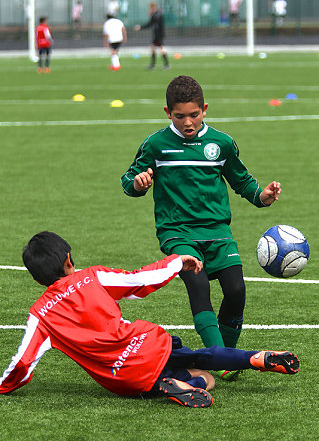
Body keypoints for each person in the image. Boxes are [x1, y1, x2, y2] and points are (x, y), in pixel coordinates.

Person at [0, 231, 299, 408]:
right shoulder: (91, 277)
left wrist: (3, 386)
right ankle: (253, 358)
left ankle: (177, 384)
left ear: (38, 279)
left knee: (203, 381)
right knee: (201, 359)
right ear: (69, 260)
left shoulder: (40, 314)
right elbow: (140, 279)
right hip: (147, 343)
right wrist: (176, 262)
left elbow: (23, 364)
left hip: (124, 375)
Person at [121, 75, 282, 381]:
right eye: (180, 116)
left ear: (205, 109)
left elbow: (242, 180)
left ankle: (226, 356)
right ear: (167, 112)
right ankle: (222, 359)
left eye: (194, 114)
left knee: (236, 291)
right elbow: (129, 179)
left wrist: (263, 197)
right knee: (198, 284)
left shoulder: (221, 143)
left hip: (219, 233)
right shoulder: (156, 145)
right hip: (177, 233)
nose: (188, 122)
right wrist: (138, 183)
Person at [134, 2, 169, 70]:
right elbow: (150, 24)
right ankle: (153, 65)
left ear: (153, 7)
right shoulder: (156, 14)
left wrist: (141, 27)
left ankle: (166, 64)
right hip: (157, 34)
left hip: (159, 35)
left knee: (161, 49)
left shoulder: (157, 14)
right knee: (153, 48)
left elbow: (151, 24)